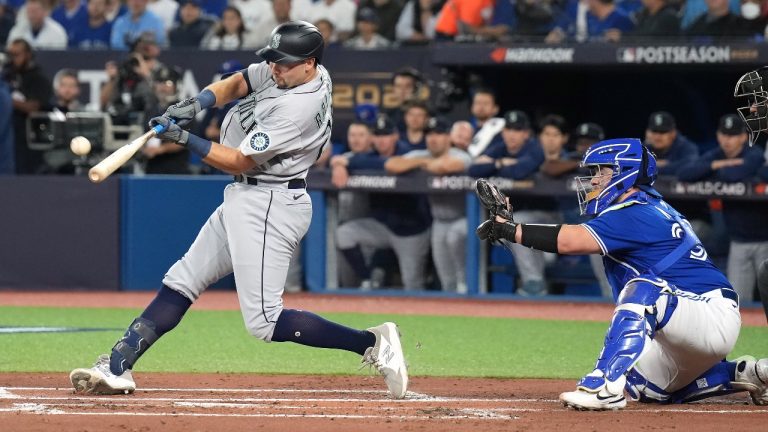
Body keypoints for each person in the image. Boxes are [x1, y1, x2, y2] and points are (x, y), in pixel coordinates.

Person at [68, 20, 409, 401]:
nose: (275, 68)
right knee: (183, 279)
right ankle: (117, 365)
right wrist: (197, 103)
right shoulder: (298, 72)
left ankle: (371, 343)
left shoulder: (299, 106)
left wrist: (184, 137)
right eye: (275, 60)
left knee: (264, 321)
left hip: (270, 203)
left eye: (284, 63)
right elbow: (239, 81)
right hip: (247, 198)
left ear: (309, 64)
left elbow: (238, 161)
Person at [474, 138, 768, 410]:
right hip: (686, 323)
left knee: (642, 289)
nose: (594, 180)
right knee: (647, 388)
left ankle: (602, 386)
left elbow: (569, 241)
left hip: (708, 314)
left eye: (602, 172)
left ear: (623, 174)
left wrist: (511, 230)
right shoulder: (646, 205)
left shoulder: (635, 210)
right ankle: (747, 373)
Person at [677, 114, 767, 304]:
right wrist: (717, 164)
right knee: (737, 303)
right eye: (724, 134)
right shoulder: (717, 154)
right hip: (738, 242)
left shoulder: (754, 153)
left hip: (765, 240)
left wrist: (716, 172)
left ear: (743, 137)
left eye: (733, 135)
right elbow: (685, 173)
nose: (727, 140)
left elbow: (735, 174)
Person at [384, 116, 472, 292]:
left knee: (464, 278)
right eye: (430, 134)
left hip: (465, 220)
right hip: (439, 221)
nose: (433, 138)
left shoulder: (461, 155)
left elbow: (445, 167)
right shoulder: (422, 155)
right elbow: (391, 164)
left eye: (439, 134)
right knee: (447, 278)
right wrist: (423, 161)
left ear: (449, 137)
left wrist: (421, 164)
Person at [3, 38, 52, 173]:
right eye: (10, 55)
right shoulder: (6, 76)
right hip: (7, 136)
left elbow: (33, 107)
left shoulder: (39, 79)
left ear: (28, 55)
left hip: (29, 140)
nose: (12, 59)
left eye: (17, 55)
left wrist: (6, 99)